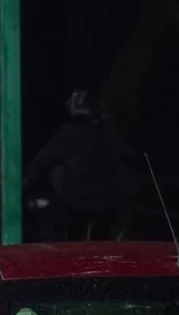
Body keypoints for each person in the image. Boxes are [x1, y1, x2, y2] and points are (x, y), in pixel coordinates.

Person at [24, 90, 138, 242]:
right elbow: (128, 159)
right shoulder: (109, 134)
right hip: (106, 203)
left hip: (76, 202)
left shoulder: (69, 134)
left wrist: (26, 186)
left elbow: (40, 164)